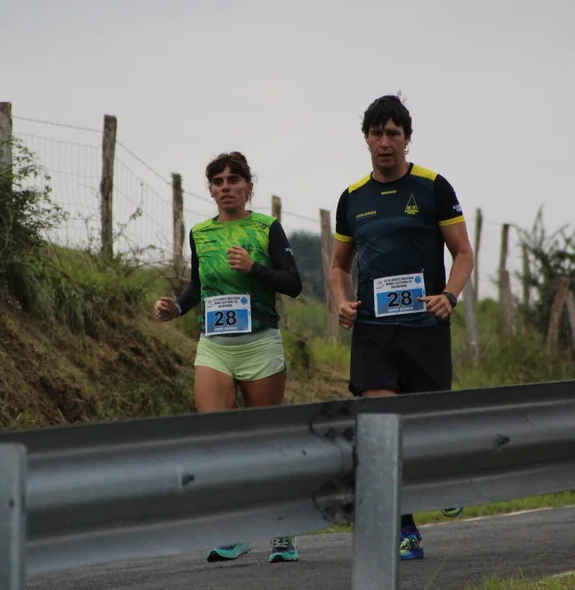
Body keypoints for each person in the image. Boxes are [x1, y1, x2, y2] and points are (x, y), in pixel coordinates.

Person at [327, 95, 474, 561]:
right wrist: (341, 303)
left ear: (407, 139)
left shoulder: (433, 187)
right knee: (382, 426)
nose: (385, 142)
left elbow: (463, 253)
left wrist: (449, 296)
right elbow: (338, 266)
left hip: (425, 325)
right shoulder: (352, 198)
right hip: (373, 329)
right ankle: (405, 528)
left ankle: (442, 479)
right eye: (377, 133)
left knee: (425, 424)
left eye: (394, 133)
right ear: (366, 139)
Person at [154, 151, 304, 564]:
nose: (225, 187)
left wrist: (255, 268)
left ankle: (282, 531)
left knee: (266, 441)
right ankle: (236, 531)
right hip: (215, 345)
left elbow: (293, 284)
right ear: (210, 190)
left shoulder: (266, 228)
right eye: (218, 182)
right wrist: (176, 308)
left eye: (233, 180)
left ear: (248, 188)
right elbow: (196, 285)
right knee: (218, 440)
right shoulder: (200, 233)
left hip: (259, 343)